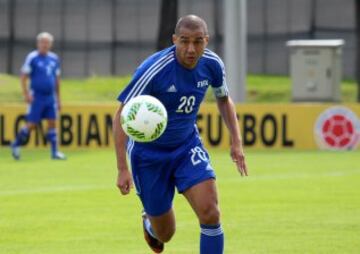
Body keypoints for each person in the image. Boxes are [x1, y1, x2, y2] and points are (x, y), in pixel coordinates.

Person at [113, 15, 247, 253]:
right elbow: (121, 115)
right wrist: (122, 168)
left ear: (207, 40)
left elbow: (224, 99)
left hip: (186, 147)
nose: (191, 49)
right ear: (174, 40)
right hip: (148, 155)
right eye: (184, 41)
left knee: (210, 212)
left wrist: (236, 143)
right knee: (166, 234)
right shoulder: (153, 69)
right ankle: (150, 222)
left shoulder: (212, 64)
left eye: (198, 42)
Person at [11, 32, 66, 160]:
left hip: (50, 97)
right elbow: (23, 77)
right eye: (42, 42)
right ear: (38, 43)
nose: (45, 45)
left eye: (47, 42)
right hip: (37, 97)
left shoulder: (54, 59)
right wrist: (26, 94)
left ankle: (54, 152)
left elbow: (57, 80)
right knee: (32, 124)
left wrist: (58, 99)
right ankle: (16, 144)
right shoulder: (32, 57)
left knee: (52, 123)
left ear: (50, 44)